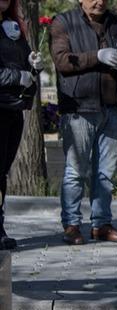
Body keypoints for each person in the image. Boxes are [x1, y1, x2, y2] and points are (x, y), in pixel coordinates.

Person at [50, 0, 117, 245]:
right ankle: (71, 225)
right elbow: (61, 60)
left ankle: (101, 224)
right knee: (75, 170)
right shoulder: (64, 22)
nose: (99, 1)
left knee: (105, 173)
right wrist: (97, 56)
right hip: (80, 108)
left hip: (113, 109)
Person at [0, 0, 43, 250]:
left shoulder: (12, 27)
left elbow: (25, 66)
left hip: (13, 108)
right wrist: (19, 76)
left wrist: (33, 65)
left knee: (1, 173)